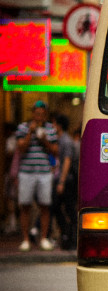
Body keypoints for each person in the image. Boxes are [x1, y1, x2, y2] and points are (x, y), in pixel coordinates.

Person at [15, 101, 58, 251]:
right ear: (33, 113)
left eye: (42, 114)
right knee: (25, 205)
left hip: (44, 172)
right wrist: (30, 133)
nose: (39, 116)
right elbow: (21, 148)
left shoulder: (50, 129)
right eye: (37, 113)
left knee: (45, 206)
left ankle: (44, 239)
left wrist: (44, 139)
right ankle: (26, 240)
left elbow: (55, 151)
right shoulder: (23, 127)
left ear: (45, 115)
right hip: (26, 172)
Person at [53, 114, 79, 250]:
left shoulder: (66, 141)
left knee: (66, 209)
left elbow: (67, 161)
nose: (52, 126)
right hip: (64, 180)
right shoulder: (61, 139)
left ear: (59, 125)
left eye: (54, 123)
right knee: (61, 208)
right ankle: (68, 235)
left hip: (67, 181)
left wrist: (61, 182)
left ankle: (72, 237)